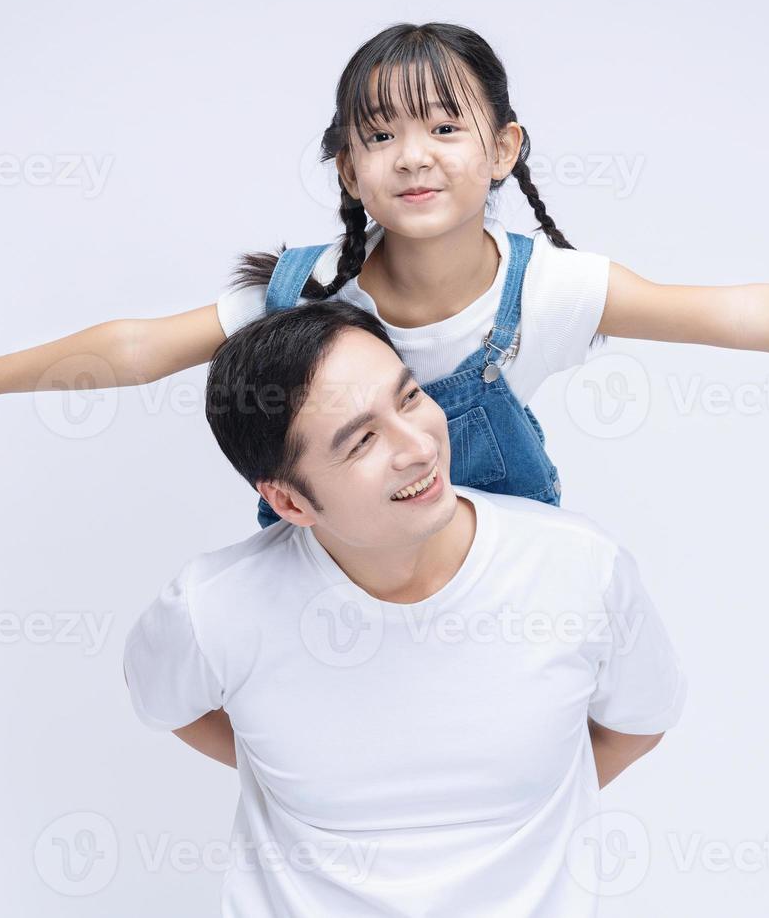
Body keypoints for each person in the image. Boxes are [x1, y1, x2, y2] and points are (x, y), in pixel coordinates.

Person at [0, 22, 769, 525]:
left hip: (487, 572)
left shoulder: (553, 290)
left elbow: (739, 310)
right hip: (329, 572)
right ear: (346, 162)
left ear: (502, 149)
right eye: (379, 134)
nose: (412, 155)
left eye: (444, 126)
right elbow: (135, 346)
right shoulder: (304, 288)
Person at [123, 300, 687, 916]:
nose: (418, 446)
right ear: (288, 501)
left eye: (410, 397)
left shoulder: (580, 568)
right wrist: (287, 767)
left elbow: (638, 723)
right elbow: (167, 703)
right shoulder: (212, 608)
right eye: (362, 440)